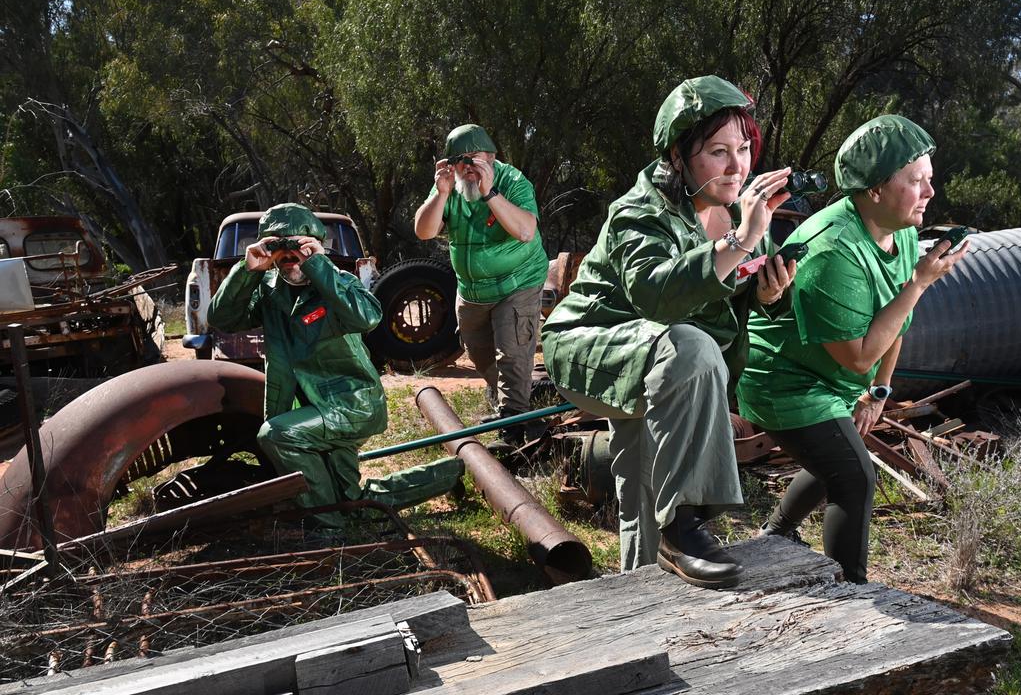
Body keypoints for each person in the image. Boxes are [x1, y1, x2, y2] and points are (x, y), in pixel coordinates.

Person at [542, 76, 796, 589]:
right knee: (691, 347)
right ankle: (686, 526)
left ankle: (643, 598)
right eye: (718, 152)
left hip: (661, 363)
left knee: (641, 487)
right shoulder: (638, 213)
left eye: (744, 149)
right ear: (679, 157)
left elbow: (729, 295)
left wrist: (768, 293)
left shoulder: (739, 215)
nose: (737, 166)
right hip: (592, 344)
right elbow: (658, 297)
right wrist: (744, 240)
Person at [735, 115, 968, 584]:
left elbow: (894, 320)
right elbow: (860, 354)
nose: (929, 193)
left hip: (831, 378)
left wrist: (879, 392)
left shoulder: (899, 231)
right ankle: (851, 593)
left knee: (837, 456)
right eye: (916, 181)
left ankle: (776, 532)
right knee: (854, 477)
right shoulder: (832, 250)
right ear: (875, 190)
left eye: (930, 180)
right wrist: (920, 282)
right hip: (784, 380)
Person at [208, 203, 461, 539]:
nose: (288, 255)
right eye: (276, 246)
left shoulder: (337, 282)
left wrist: (318, 266)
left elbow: (367, 317)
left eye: (297, 245)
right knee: (350, 498)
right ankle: (453, 472)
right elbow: (221, 319)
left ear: (315, 244)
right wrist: (247, 269)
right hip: (308, 408)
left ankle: (329, 529)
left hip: (351, 405)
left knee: (278, 434)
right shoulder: (269, 291)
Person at [414, 125, 548, 442]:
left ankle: (514, 428)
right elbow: (423, 231)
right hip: (473, 291)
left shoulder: (513, 182)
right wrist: (442, 193)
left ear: (491, 157)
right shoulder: (450, 186)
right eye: (461, 161)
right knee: (478, 353)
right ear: (449, 165)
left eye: (475, 159)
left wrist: (490, 194)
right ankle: (515, 397)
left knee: (512, 352)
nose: (469, 168)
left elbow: (526, 231)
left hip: (518, 283)